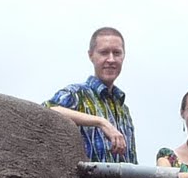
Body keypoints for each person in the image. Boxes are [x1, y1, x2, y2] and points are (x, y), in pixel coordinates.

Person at [43, 27, 136, 163]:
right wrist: (101, 122)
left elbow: (132, 160)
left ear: (124, 56)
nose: (111, 59)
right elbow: (46, 110)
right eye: (104, 52)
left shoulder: (123, 109)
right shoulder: (76, 94)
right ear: (91, 55)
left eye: (116, 53)